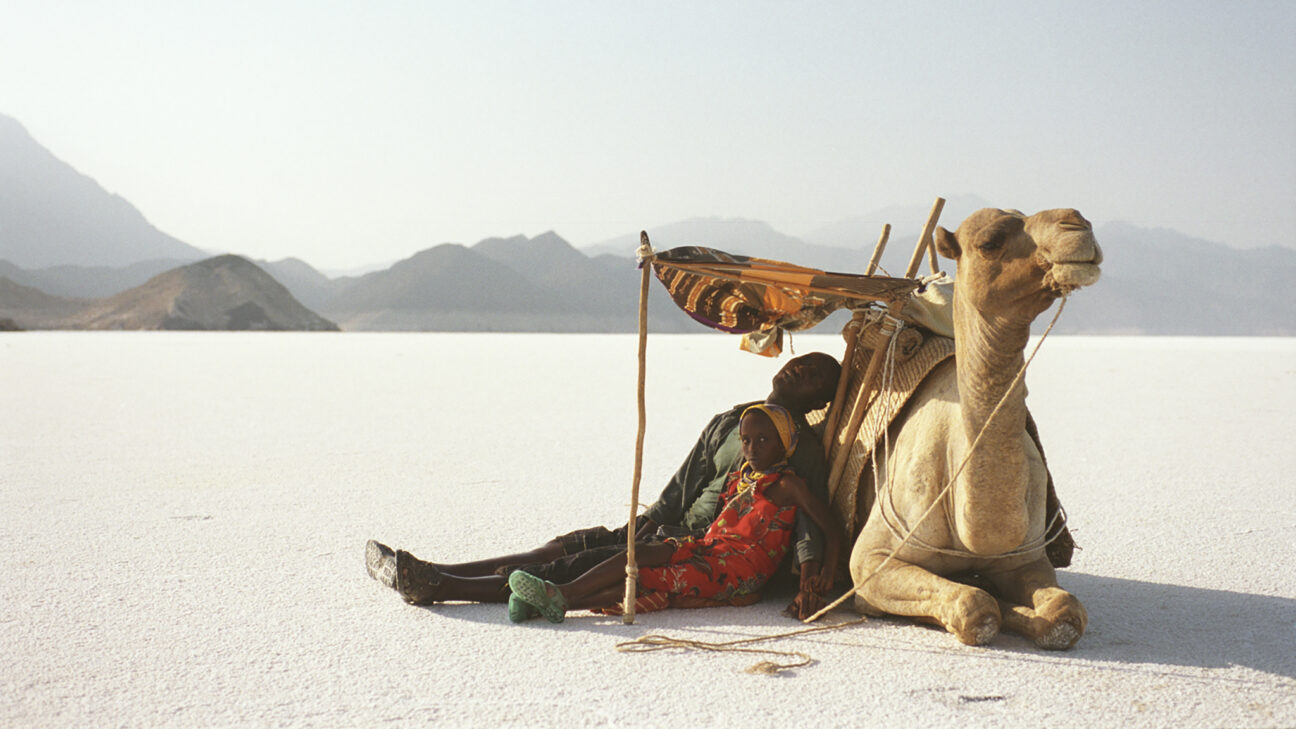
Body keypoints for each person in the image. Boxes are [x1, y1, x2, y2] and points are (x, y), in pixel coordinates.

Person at [366, 351, 843, 618]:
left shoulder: (798, 448)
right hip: (667, 527)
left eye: (815, 376)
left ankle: (439, 586)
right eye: (804, 360)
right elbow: (685, 481)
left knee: (574, 566)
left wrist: (810, 573)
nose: (801, 369)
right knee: (561, 547)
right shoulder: (732, 421)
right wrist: (649, 518)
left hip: (700, 544)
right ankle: (440, 568)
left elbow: (805, 518)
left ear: (817, 400)